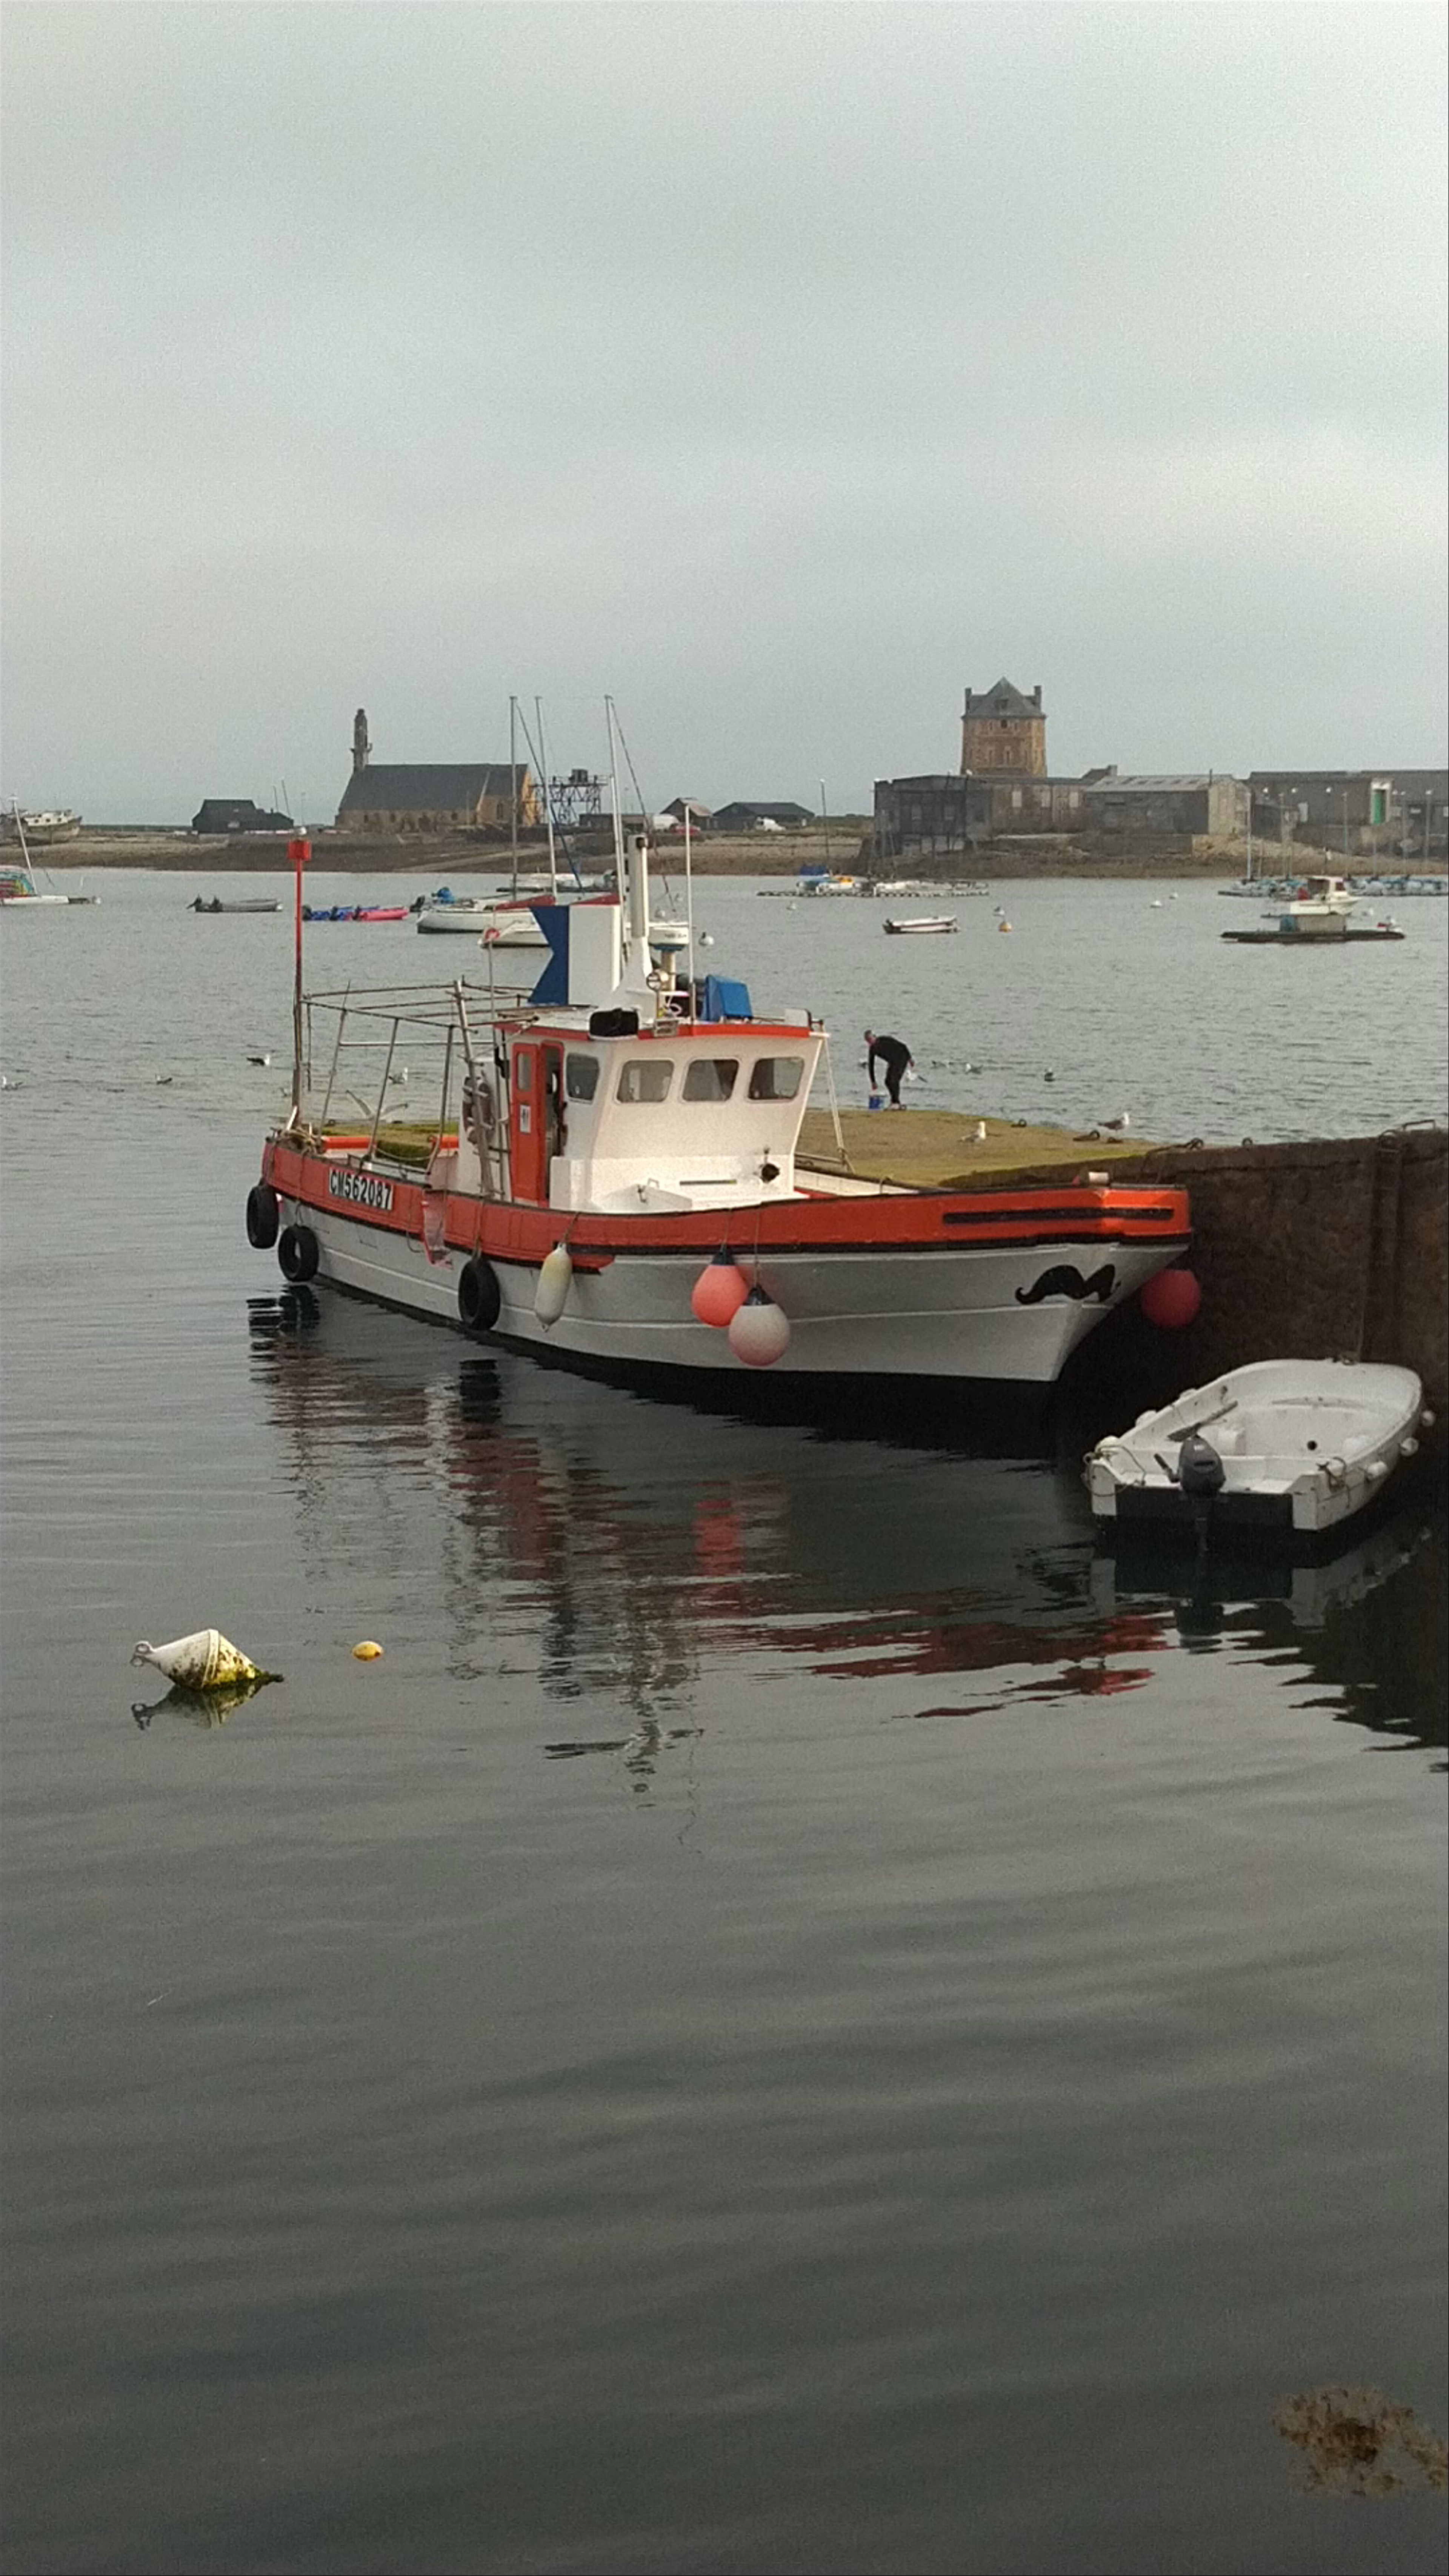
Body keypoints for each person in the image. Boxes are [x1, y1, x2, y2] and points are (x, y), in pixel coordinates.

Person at [864, 1029, 913, 1107]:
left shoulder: (885, 1040)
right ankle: (894, 1102)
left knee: (895, 1080)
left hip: (902, 1057)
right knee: (888, 1081)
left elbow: (903, 1046)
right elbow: (871, 1066)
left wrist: (910, 1059)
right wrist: (873, 1082)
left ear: (874, 1037)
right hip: (893, 1062)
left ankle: (896, 1103)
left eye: (870, 1040)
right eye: (868, 1041)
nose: (870, 1043)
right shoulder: (873, 1049)